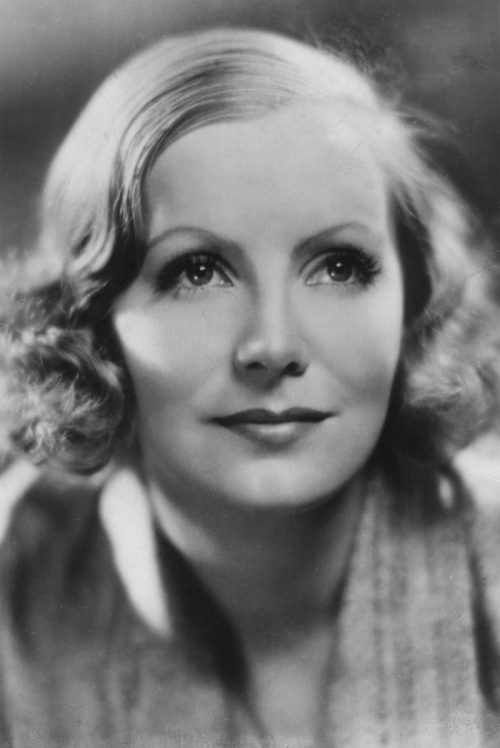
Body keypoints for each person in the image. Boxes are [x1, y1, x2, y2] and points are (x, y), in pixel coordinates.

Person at [0, 26, 499, 747]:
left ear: (412, 302)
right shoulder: (22, 580)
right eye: (197, 271)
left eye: (339, 267)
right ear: (91, 325)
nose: (274, 346)